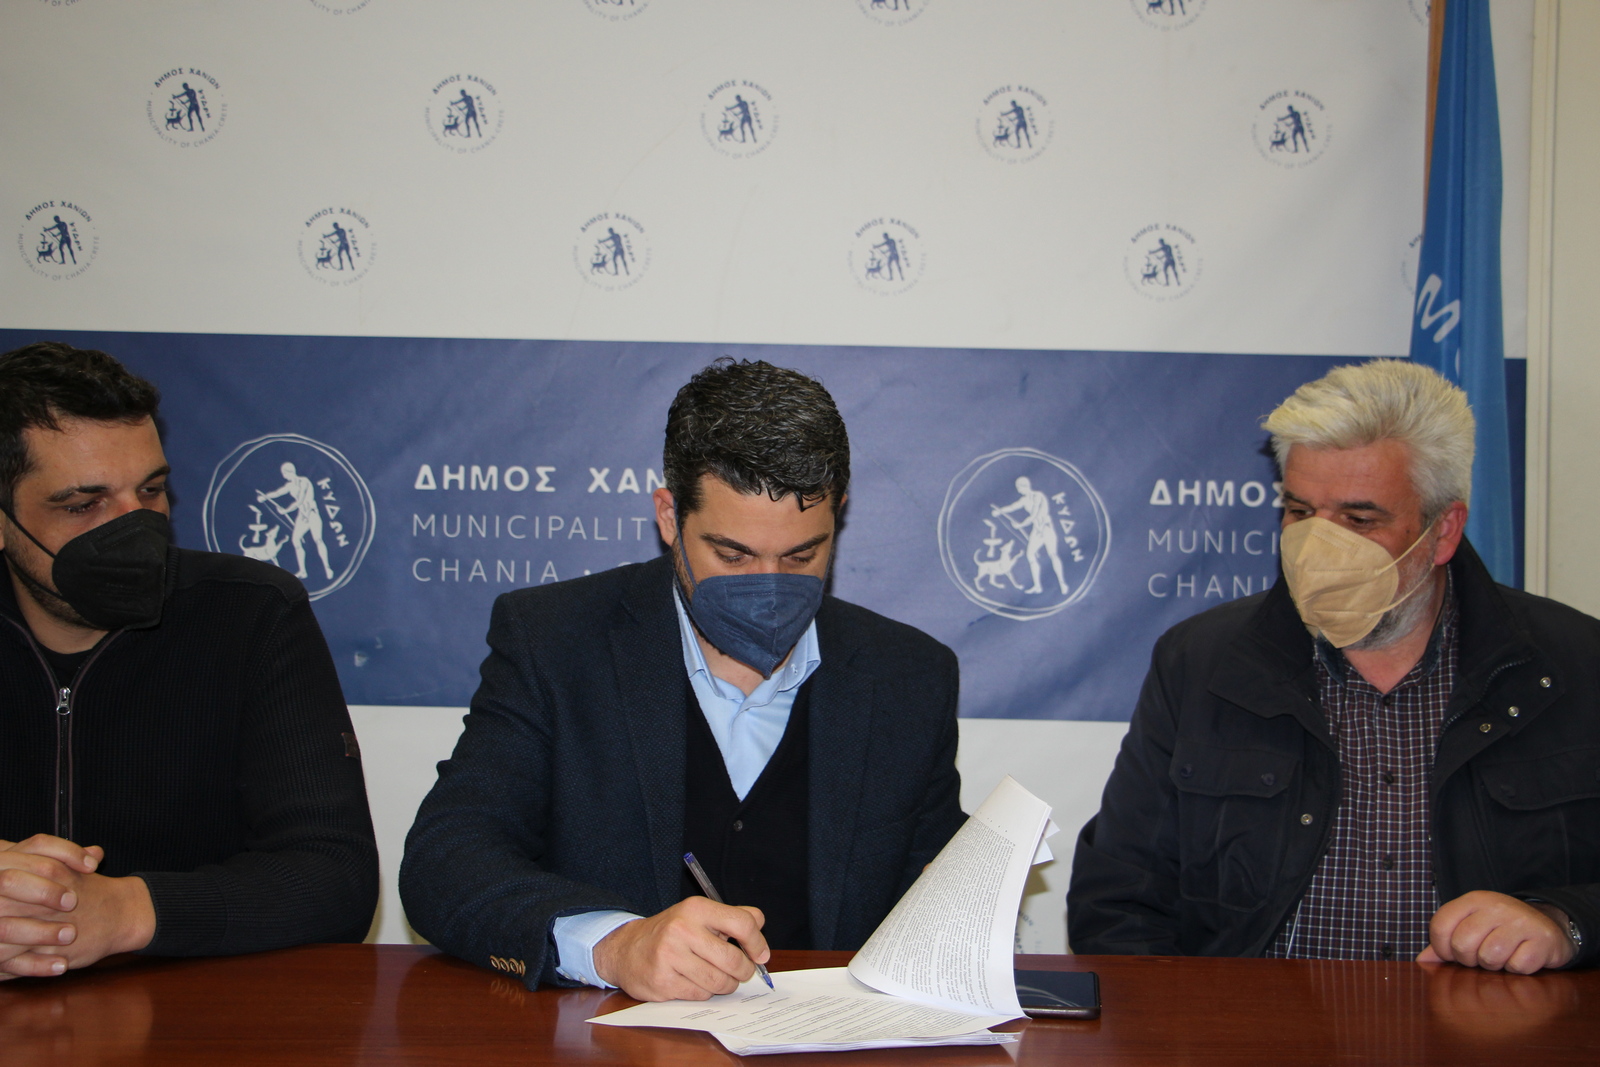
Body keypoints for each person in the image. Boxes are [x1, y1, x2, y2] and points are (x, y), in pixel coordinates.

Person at [401, 358, 965, 1001]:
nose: (769, 588)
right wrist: (613, 946)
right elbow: (445, 862)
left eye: (801, 555)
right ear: (669, 517)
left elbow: (936, 896)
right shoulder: (554, 642)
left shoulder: (908, 676)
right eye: (733, 555)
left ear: (838, 515)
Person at [1069, 359, 1598, 974]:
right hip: (1258, 1024)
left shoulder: (1573, 666)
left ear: (1444, 530)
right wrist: (1191, 1022)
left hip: (1487, 1026)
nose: (1317, 547)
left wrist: (1567, 923)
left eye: (1359, 519)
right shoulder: (1200, 662)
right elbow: (1118, 900)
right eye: (1299, 512)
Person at [0, 341, 378, 980]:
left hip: (190, 1007)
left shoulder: (250, 612)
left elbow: (335, 876)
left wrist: (125, 911)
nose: (135, 529)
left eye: (150, 491)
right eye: (83, 505)